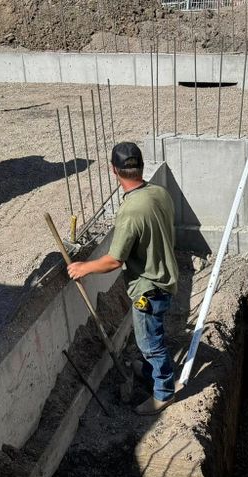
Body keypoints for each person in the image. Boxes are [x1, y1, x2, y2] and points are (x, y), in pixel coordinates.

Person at [67, 142, 179, 416]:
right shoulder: (158, 193)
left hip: (149, 288)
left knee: (150, 344)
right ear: (141, 166)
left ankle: (164, 393)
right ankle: (150, 371)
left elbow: (115, 260)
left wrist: (84, 268)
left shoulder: (130, 212)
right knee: (151, 336)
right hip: (165, 276)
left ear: (113, 170)